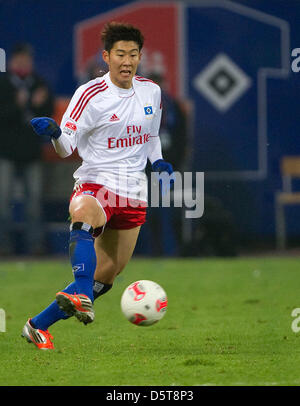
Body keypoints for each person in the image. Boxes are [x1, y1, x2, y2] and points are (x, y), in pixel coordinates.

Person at [21, 22, 174, 350]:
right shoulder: (90, 94)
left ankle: (37, 325)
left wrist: (158, 161)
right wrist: (55, 134)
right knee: (85, 212)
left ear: (140, 57)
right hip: (97, 182)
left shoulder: (151, 91)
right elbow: (67, 147)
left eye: (133, 54)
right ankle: (81, 294)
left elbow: (151, 136)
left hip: (134, 193)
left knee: (106, 277)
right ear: (106, 56)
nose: (127, 61)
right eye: (120, 54)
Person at [0, 43, 54, 255]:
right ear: (12, 62)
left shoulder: (38, 83)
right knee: (3, 203)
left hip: (32, 152)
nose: (23, 64)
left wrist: (38, 104)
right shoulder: (4, 84)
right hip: (5, 152)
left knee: (34, 203)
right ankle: (3, 247)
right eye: (19, 60)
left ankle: (36, 247)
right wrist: (18, 104)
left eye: (26, 60)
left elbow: (48, 115)